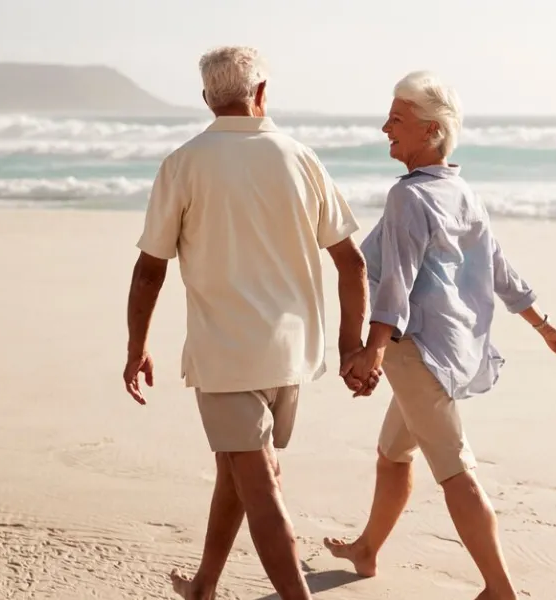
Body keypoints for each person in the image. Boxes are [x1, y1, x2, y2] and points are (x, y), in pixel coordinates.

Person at [122, 46, 377, 600]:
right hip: (289, 355)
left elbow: (149, 270)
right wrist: (351, 345)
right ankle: (205, 586)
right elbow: (352, 262)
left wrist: (136, 346)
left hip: (225, 357)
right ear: (261, 93)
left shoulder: (184, 162)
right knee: (238, 472)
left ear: (207, 100)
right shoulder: (301, 158)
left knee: (258, 484)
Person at [322, 71, 556, 600]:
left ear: (432, 131)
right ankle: (368, 550)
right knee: (393, 453)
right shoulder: (461, 191)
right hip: (446, 345)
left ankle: (499, 587)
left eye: (397, 119)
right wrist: (545, 326)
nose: (384, 127)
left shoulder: (408, 199)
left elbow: (397, 284)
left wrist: (371, 350)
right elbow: (499, 269)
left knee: (454, 467)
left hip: (414, 351)